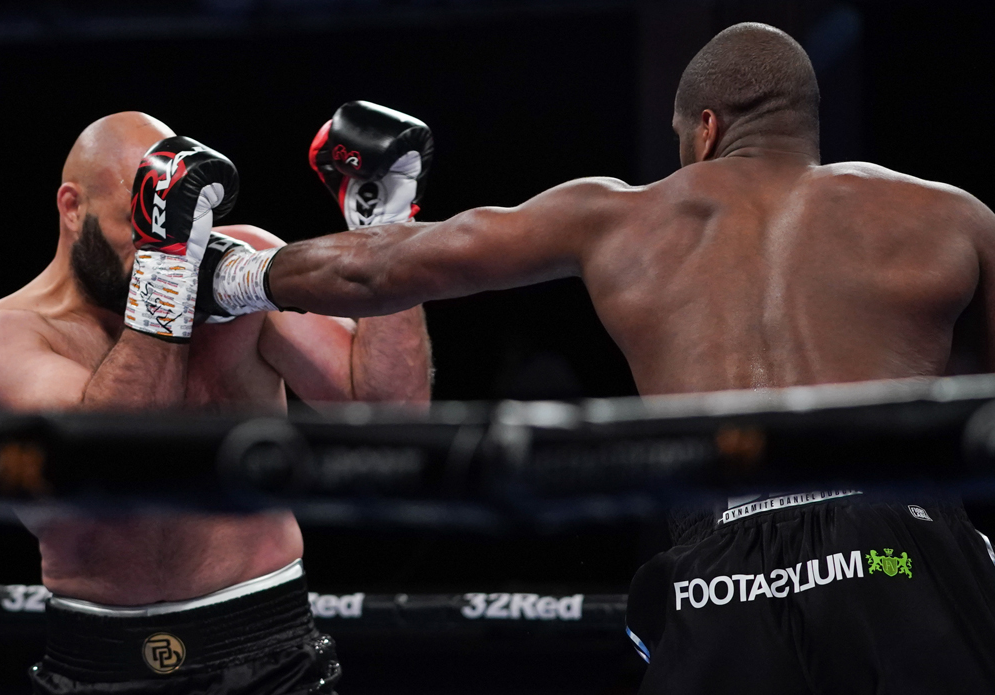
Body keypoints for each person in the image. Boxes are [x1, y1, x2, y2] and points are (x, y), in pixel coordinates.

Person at [207, 23, 995, 693]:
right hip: (900, 549)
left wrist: (225, 273)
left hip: (727, 570)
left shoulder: (620, 217)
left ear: (707, 129)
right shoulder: (950, 217)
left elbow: (377, 272)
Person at [0, 109, 432, 693]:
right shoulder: (10, 335)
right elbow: (117, 462)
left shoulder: (235, 265)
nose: (157, 242)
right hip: (99, 663)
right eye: (140, 223)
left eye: (168, 223)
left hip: (269, 649)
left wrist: (385, 234)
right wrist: (167, 270)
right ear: (72, 207)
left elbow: (391, 418)